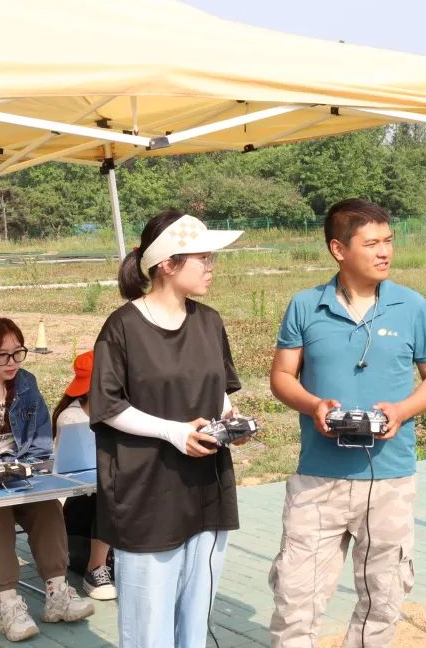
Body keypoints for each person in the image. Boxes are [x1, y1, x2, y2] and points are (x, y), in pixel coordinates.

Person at [267, 199, 426, 648]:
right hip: (318, 480)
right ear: (338, 249)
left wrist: (401, 411)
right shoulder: (305, 305)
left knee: (383, 599)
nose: (385, 251)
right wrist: (314, 406)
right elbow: (281, 376)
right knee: (296, 598)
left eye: (388, 240)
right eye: (371, 243)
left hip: (389, 478)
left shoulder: (412, 306)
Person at [89, 210, 244, 648]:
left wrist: (230, 419)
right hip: (147, 490)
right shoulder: (122, 327)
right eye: (202, 258)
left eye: (212, 258)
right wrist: (174, 432)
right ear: (167, 264)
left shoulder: (209, 321)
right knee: (149, 622)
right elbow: (108, 406)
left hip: (207, 486)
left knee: (196, 613)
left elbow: (218, 389)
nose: (211, 267)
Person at [0, 317, 94, 643]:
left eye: (18, 353)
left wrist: (23, 468)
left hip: (21, 477)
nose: (12, 362)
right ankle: (9, 605)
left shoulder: (27, 384)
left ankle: (57, 592)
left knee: (47, 506)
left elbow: (40, 443)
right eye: (3, 356)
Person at [51, 350, 116, 601]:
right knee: (109, 491)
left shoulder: (123, 412)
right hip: (82, 503)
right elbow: (73, 471)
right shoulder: (72, 418)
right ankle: (95, 569)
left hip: (108, 503)